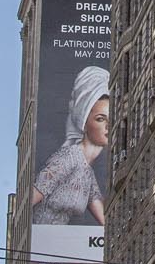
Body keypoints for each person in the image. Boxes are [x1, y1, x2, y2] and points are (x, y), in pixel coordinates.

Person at [32, 67, 110, 228]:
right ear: (83, 122)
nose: (109, 126)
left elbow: (107, 223)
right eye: (101, 119)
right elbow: (27, 204)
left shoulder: (87, 172)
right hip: (43, 243)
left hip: (60, 246)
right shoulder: (67, 158)